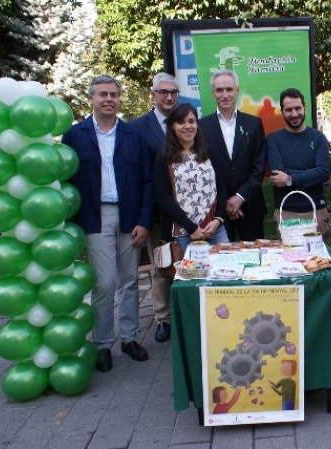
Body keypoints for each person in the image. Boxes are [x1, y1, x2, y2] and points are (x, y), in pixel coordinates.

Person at [62, 74, 153, 372]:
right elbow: (67, 182)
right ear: (92, 98)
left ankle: (128, 338)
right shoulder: (75, 135)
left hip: (129, 216)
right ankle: (103, 343)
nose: (109, 99)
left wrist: (144, 220)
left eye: (113, 94)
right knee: (104, 282)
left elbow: (147, 181)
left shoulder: (132, 135)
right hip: (94, 215)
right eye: (103, 94)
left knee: (129, 281)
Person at [130, 72, 178, 343]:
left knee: (186, 265)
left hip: (186, 215)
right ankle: (163, 319)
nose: (169, 97)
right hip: (157, 213)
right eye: (163, 92)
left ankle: (186, 315)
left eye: (173, 92)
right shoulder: (138, 128)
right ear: (154, 95)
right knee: (161, 267)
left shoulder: (187, 121)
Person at [199, 70, 267, 242]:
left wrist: (239, 198)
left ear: (237, 90)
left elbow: (259, 167)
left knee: (255, 261)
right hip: (215, 210)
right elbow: (203, 169)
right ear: (212, 93)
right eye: (219, 90)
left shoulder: (253, 123)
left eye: (229, 89)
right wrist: (225, 203)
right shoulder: (201, 126)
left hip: (250, 206)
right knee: (219, 262)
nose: (225, 95)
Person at [154, 103, 229, 253]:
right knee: (193, 275)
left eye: (191, 121)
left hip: (215, 230)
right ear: (172, 126)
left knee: (225, 271)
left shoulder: (209, 152)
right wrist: (192, 228)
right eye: (181, 122)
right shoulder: (165, 157)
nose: (187, 126)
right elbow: (162, 197)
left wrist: (218, 219)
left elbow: (221, 187)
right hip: (184, 234)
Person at [267, 88, 329, 235]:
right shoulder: (274, 139)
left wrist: (289, 179)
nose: (294, 114)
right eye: (289, 109)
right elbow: (277, 173)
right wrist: (311, 174)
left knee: (318, 258)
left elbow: (323, 172)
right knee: (288, 258)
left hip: (316, 212)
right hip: (286, 213)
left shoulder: (318, 137)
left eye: (298, 108)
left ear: (304, 108)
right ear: (281, 112)